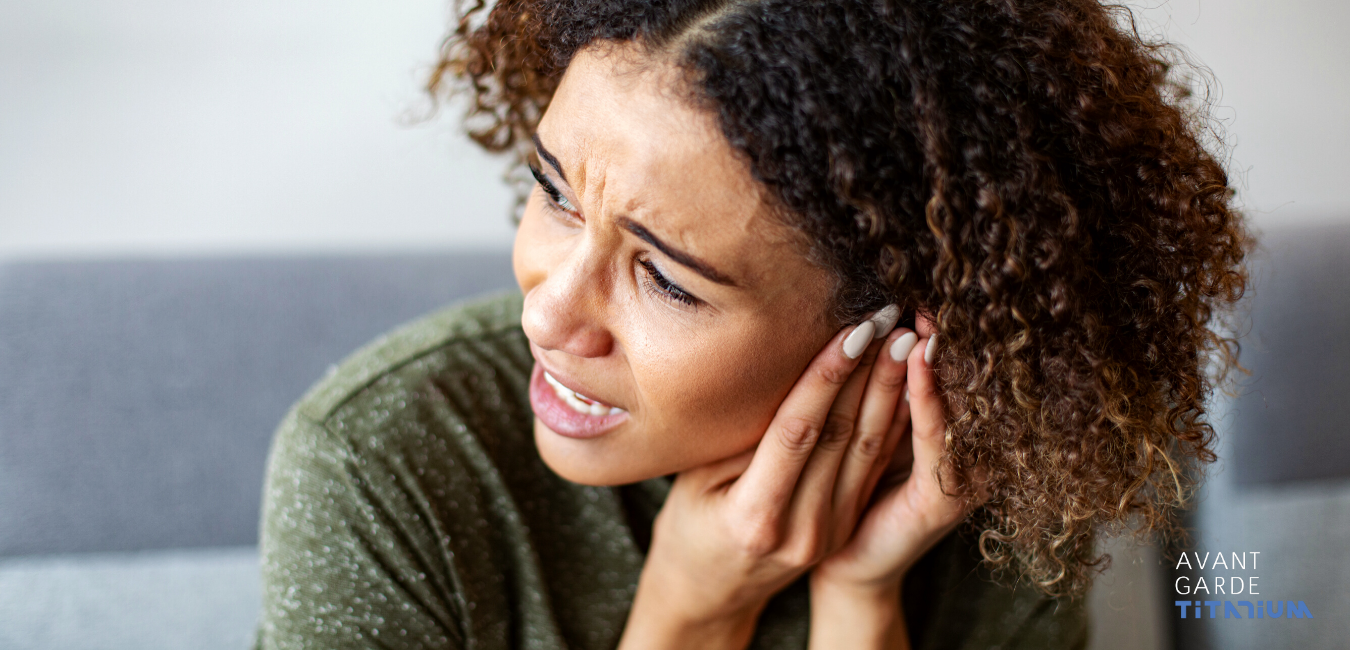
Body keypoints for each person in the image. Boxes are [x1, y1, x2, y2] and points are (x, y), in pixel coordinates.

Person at [254, 0, 1249, 648]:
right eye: (555, 195)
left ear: (899, 325)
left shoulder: (986, 485)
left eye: (670, 280)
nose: (549, 310)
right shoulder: (382, 464)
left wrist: (861, 603)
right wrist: (691, 612)